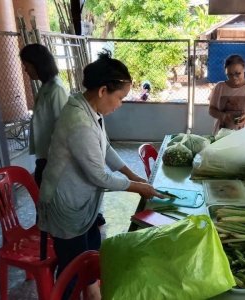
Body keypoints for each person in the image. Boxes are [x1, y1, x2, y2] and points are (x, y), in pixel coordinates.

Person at [37, 51, 164, 300]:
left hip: (83, 202)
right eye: (120, 97)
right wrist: (138, 188)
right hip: (66, 204)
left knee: (91, 258)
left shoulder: (91, 109)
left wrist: (134, 175)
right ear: (103, 90)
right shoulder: (78, 121)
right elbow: (99, 177)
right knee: (72, 270)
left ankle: (92, 289)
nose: (120, 104)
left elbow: (105, 148)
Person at [20, 44, 68, 187]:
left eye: (27, 65)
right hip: (45, 155)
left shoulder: (56, 89)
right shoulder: (46, 86)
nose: (26, 70)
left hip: (54, 158)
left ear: (37, 64)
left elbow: (63, 127)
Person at [209, 54, 245, 135]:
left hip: (244, 135)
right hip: (221, 135)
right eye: (229, 74)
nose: (234, 77)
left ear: (244, 69)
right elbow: (211, 110)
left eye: (238, 73)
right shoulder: (219, 87)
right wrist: (222, 116)